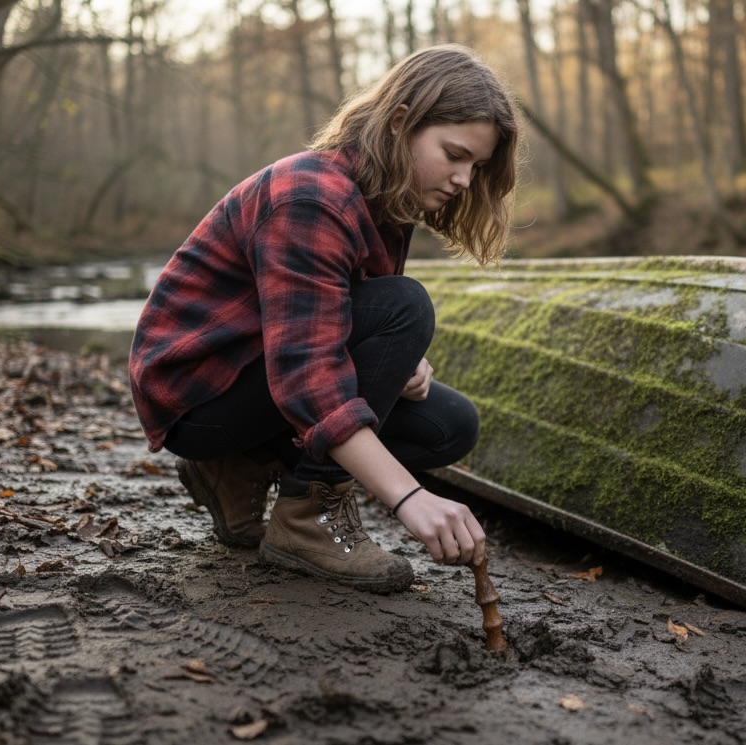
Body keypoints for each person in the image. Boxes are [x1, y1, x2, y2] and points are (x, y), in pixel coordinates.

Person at [128, 44, 520, 594]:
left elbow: (329, 313)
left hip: (264, 371)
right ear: (401, 123)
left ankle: (239, 469)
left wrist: (402, 358)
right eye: (454, 154)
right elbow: (308, 373)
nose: (464, 180)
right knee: (406, 304)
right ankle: (306, 519)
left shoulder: (386, 203)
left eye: (475, 167)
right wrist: (409, 498)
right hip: (199, 394)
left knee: (448, 424)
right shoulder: (310, 197)